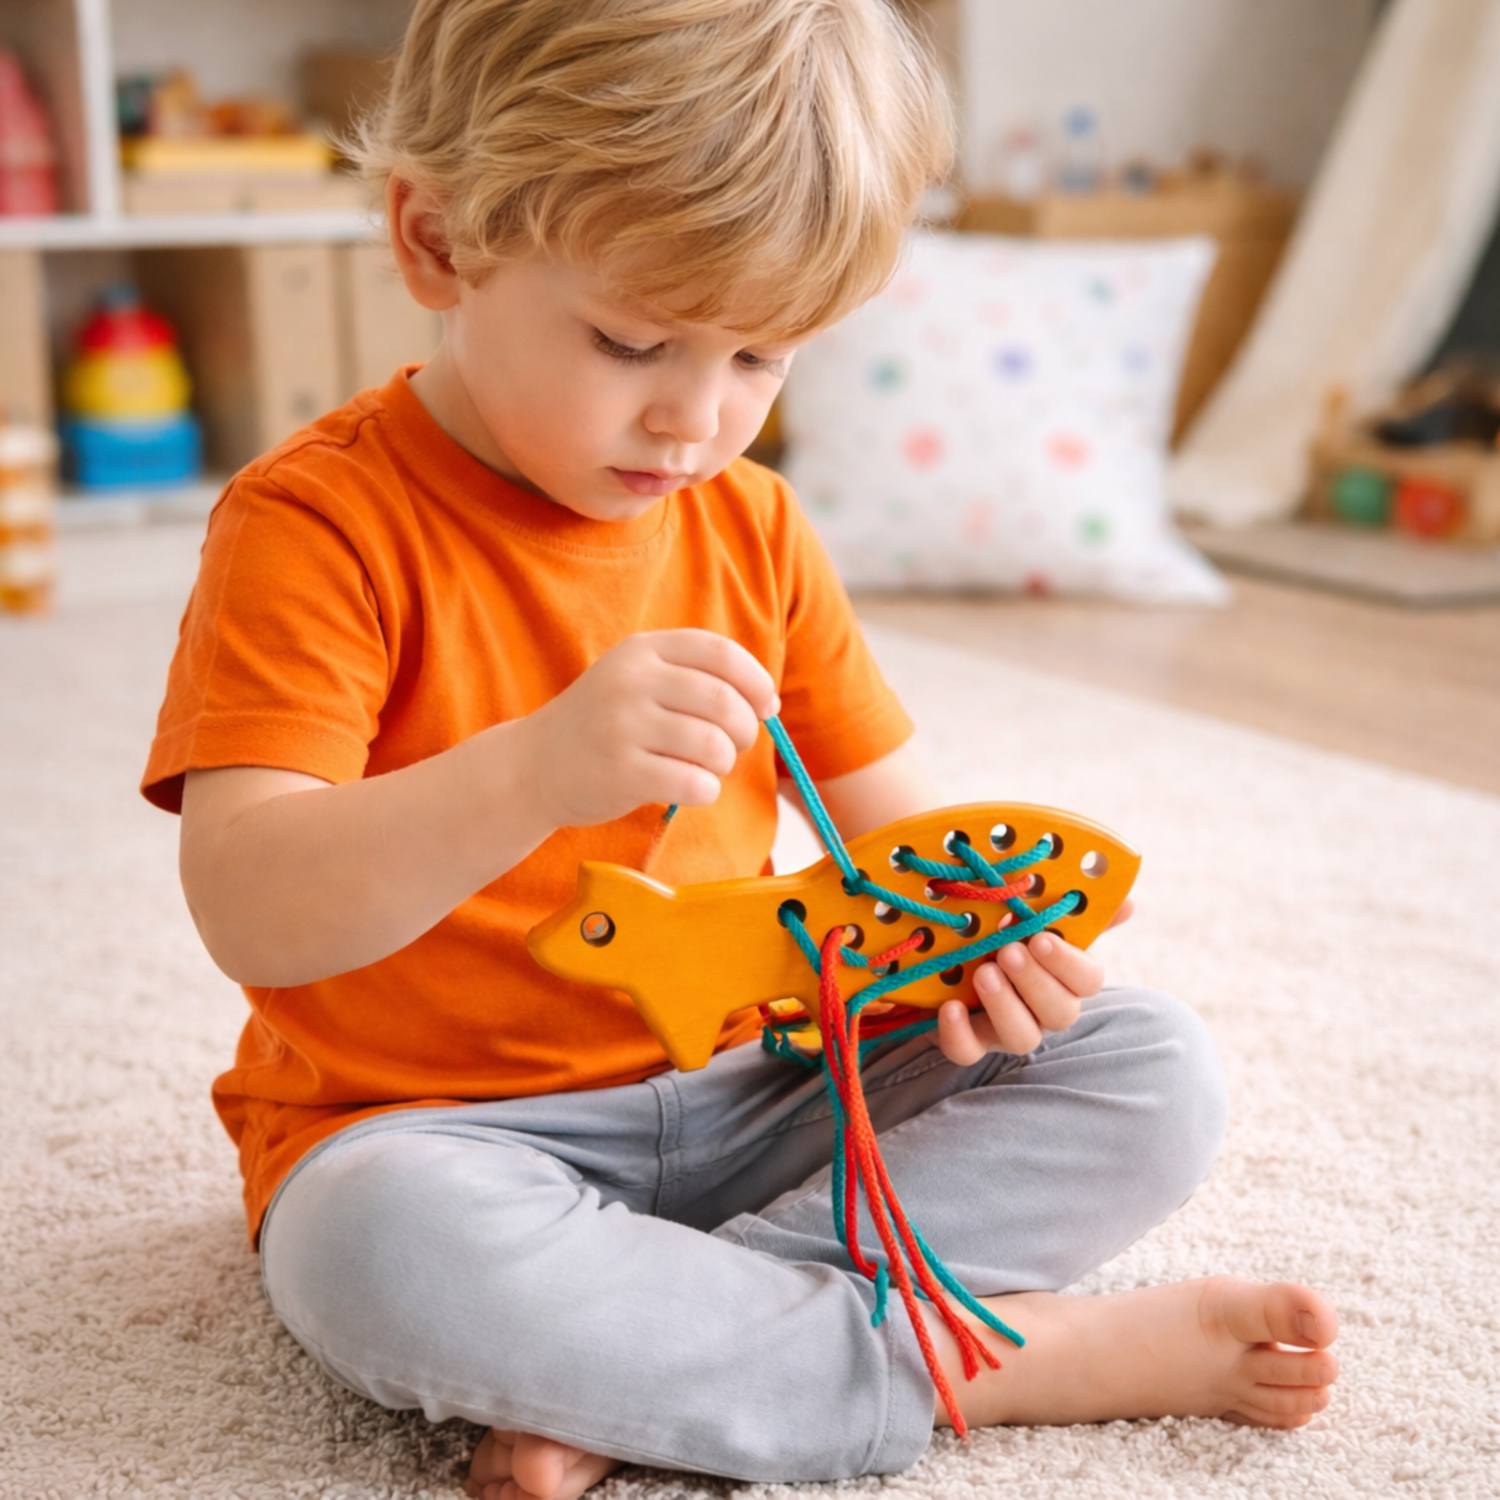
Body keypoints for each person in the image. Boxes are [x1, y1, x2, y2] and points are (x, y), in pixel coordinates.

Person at [141, 2, 1340, 1496]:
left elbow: (901, 852)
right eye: (632, 340)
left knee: (1151, 1069)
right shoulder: (315, 524)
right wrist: (532, 772)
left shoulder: (758, 527)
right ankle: (1006, 1360)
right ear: (437, 242)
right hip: (437, 1136)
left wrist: (979, 959)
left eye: (761, 355)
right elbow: (252, 908)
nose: (695, 420)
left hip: (761, 1083)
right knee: (377, 1253)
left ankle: (645, 1360)